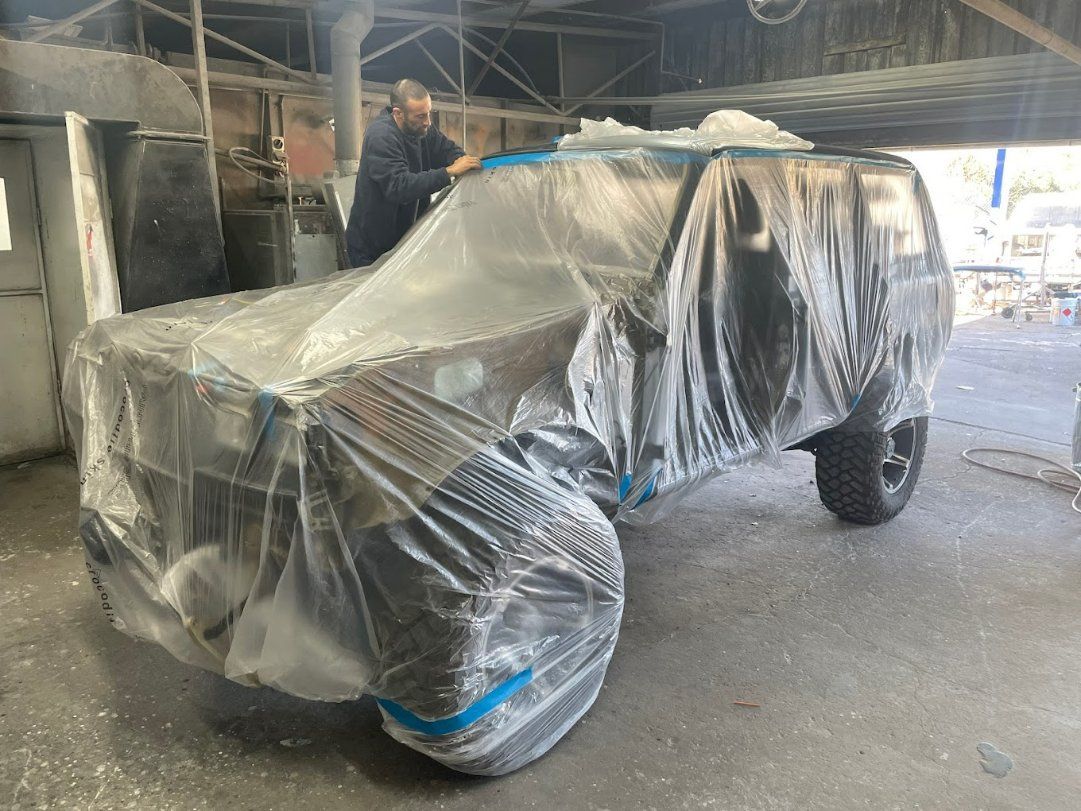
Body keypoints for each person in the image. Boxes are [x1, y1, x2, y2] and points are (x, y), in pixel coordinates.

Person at [344, 78, 483, 267]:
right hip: (372, 248)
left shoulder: (421, 129)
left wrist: (462, 161)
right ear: (398, 113)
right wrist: (449, 172)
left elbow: (446, 149)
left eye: (429, 113)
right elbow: (399, 187)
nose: (427, 122)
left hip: (404, 242)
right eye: (420, 116)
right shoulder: (381, 136)